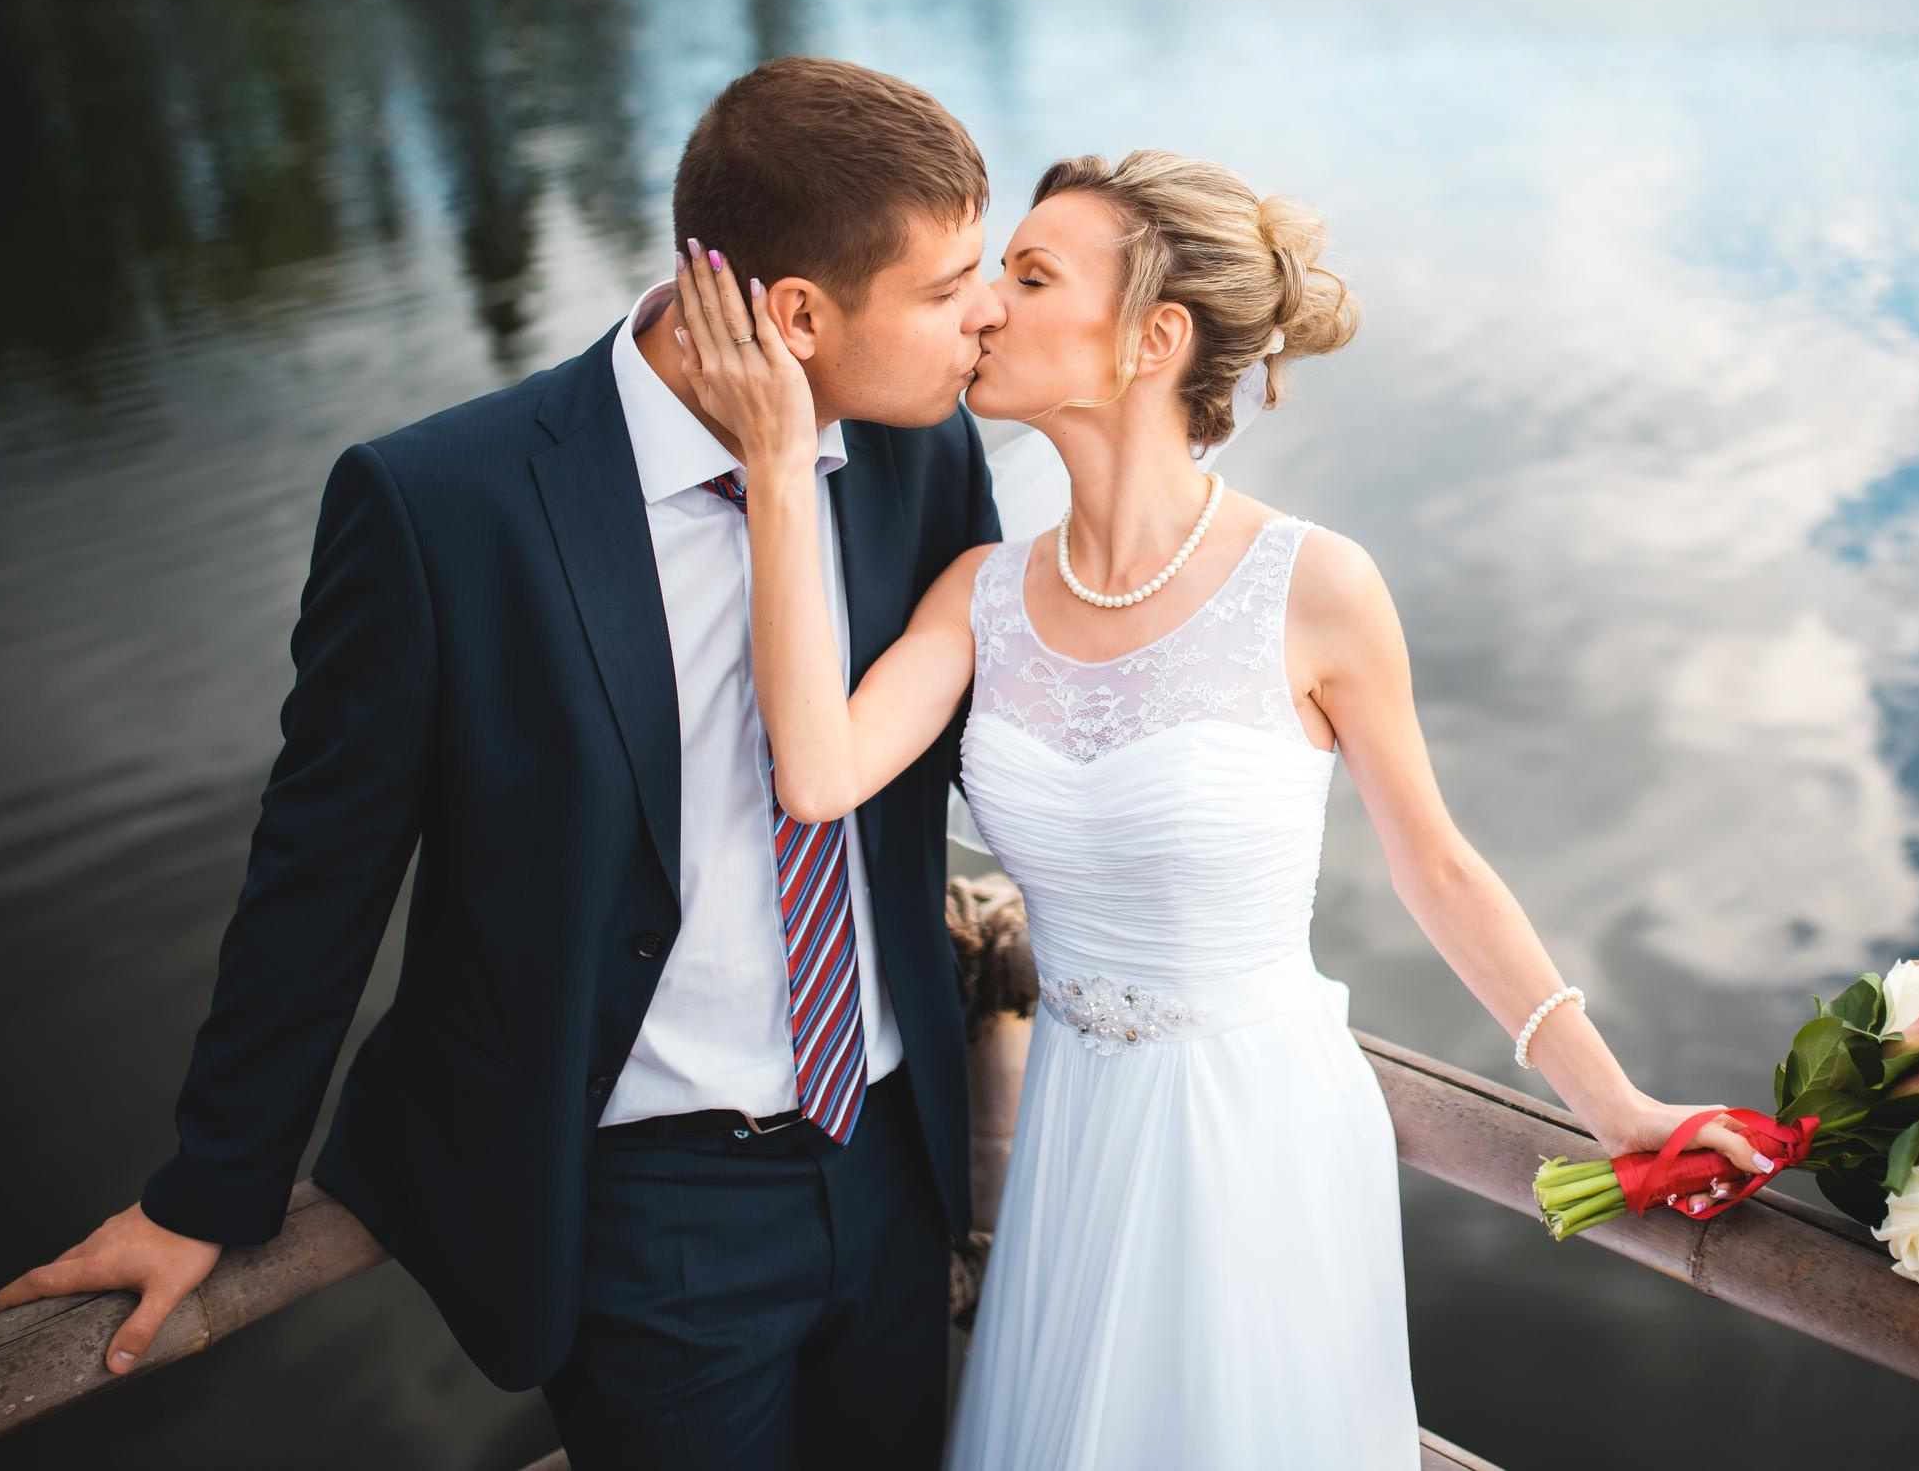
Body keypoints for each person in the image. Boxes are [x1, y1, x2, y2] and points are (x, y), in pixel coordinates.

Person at [670, 148, 1774, 1469]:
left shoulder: (1315, 585)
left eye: (1028, 276)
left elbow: (1439, 868)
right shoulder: (979, 593)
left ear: (1156, 337)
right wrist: (782, 470)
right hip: (1077, 1127)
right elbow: (817, 771)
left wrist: (1619, 1109)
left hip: (1258, 1139)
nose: (983, 309)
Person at [0, 56, 1007, 1470]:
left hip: (891, 1153)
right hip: (649, 1210)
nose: (990, 313)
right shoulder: (441, 504)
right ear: (795, 314)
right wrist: (207, 1189)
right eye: (951, 286)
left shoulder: (921, 453)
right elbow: (318, 871)